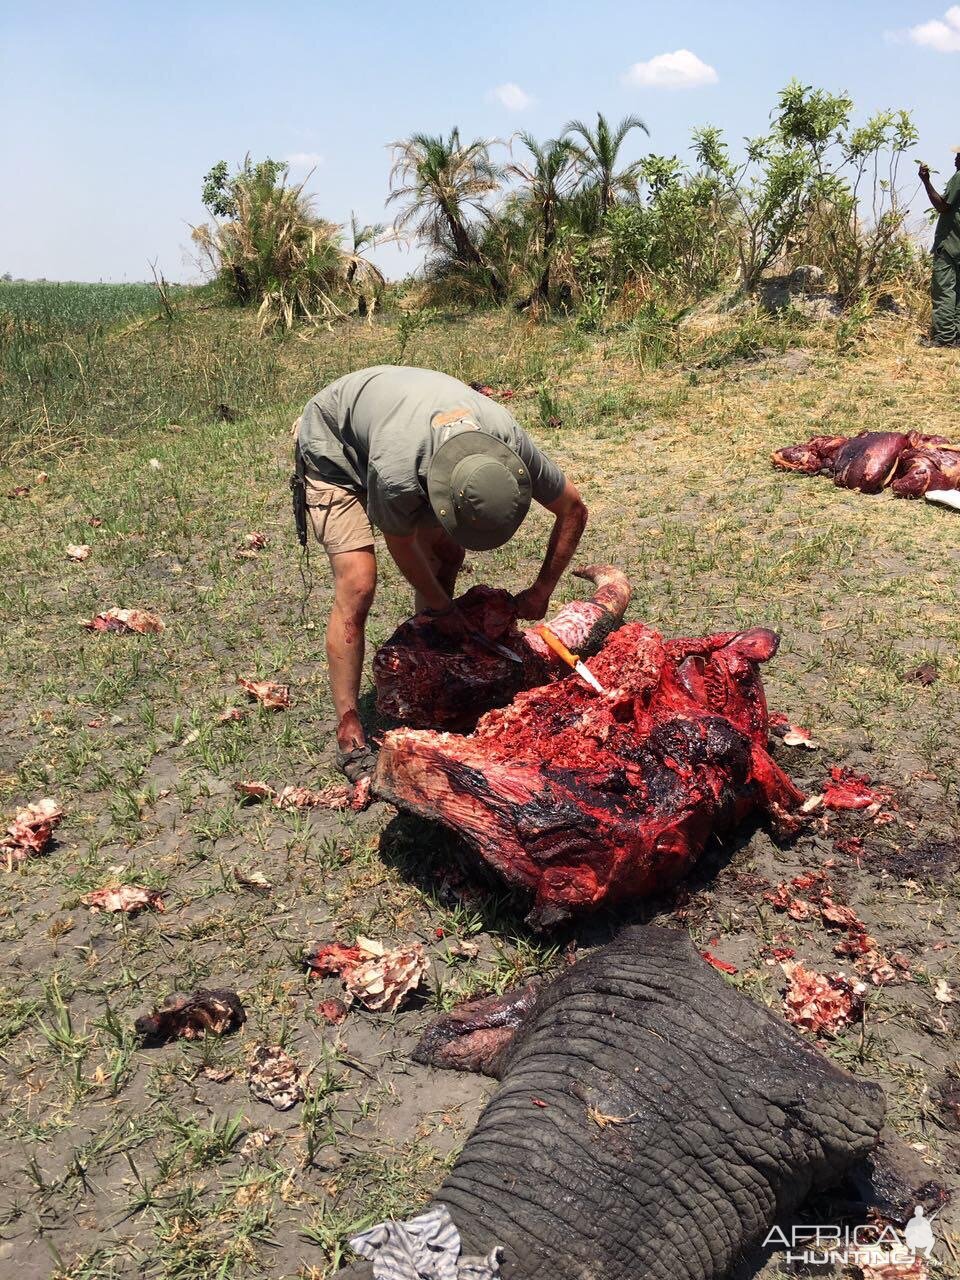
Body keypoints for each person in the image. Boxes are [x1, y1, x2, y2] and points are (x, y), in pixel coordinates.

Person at [291, 366, 587, 781]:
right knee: (358, 581)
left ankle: (425, 670)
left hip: (406, 431)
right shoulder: (398, 475)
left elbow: (573, 509)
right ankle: (349, 727)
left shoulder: (511, 442)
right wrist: (441, 608)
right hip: (335, 440)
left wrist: (542, 590)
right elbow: (402, 543)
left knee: (448, 555)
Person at [919, 148, 960, 347]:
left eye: (959, 157)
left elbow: (943, 206)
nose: (955, 160)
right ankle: (957, 336)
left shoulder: (959, 177)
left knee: (944, 289)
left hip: (950, 244)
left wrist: (926, 182)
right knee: (958, 292)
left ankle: (944, 339)